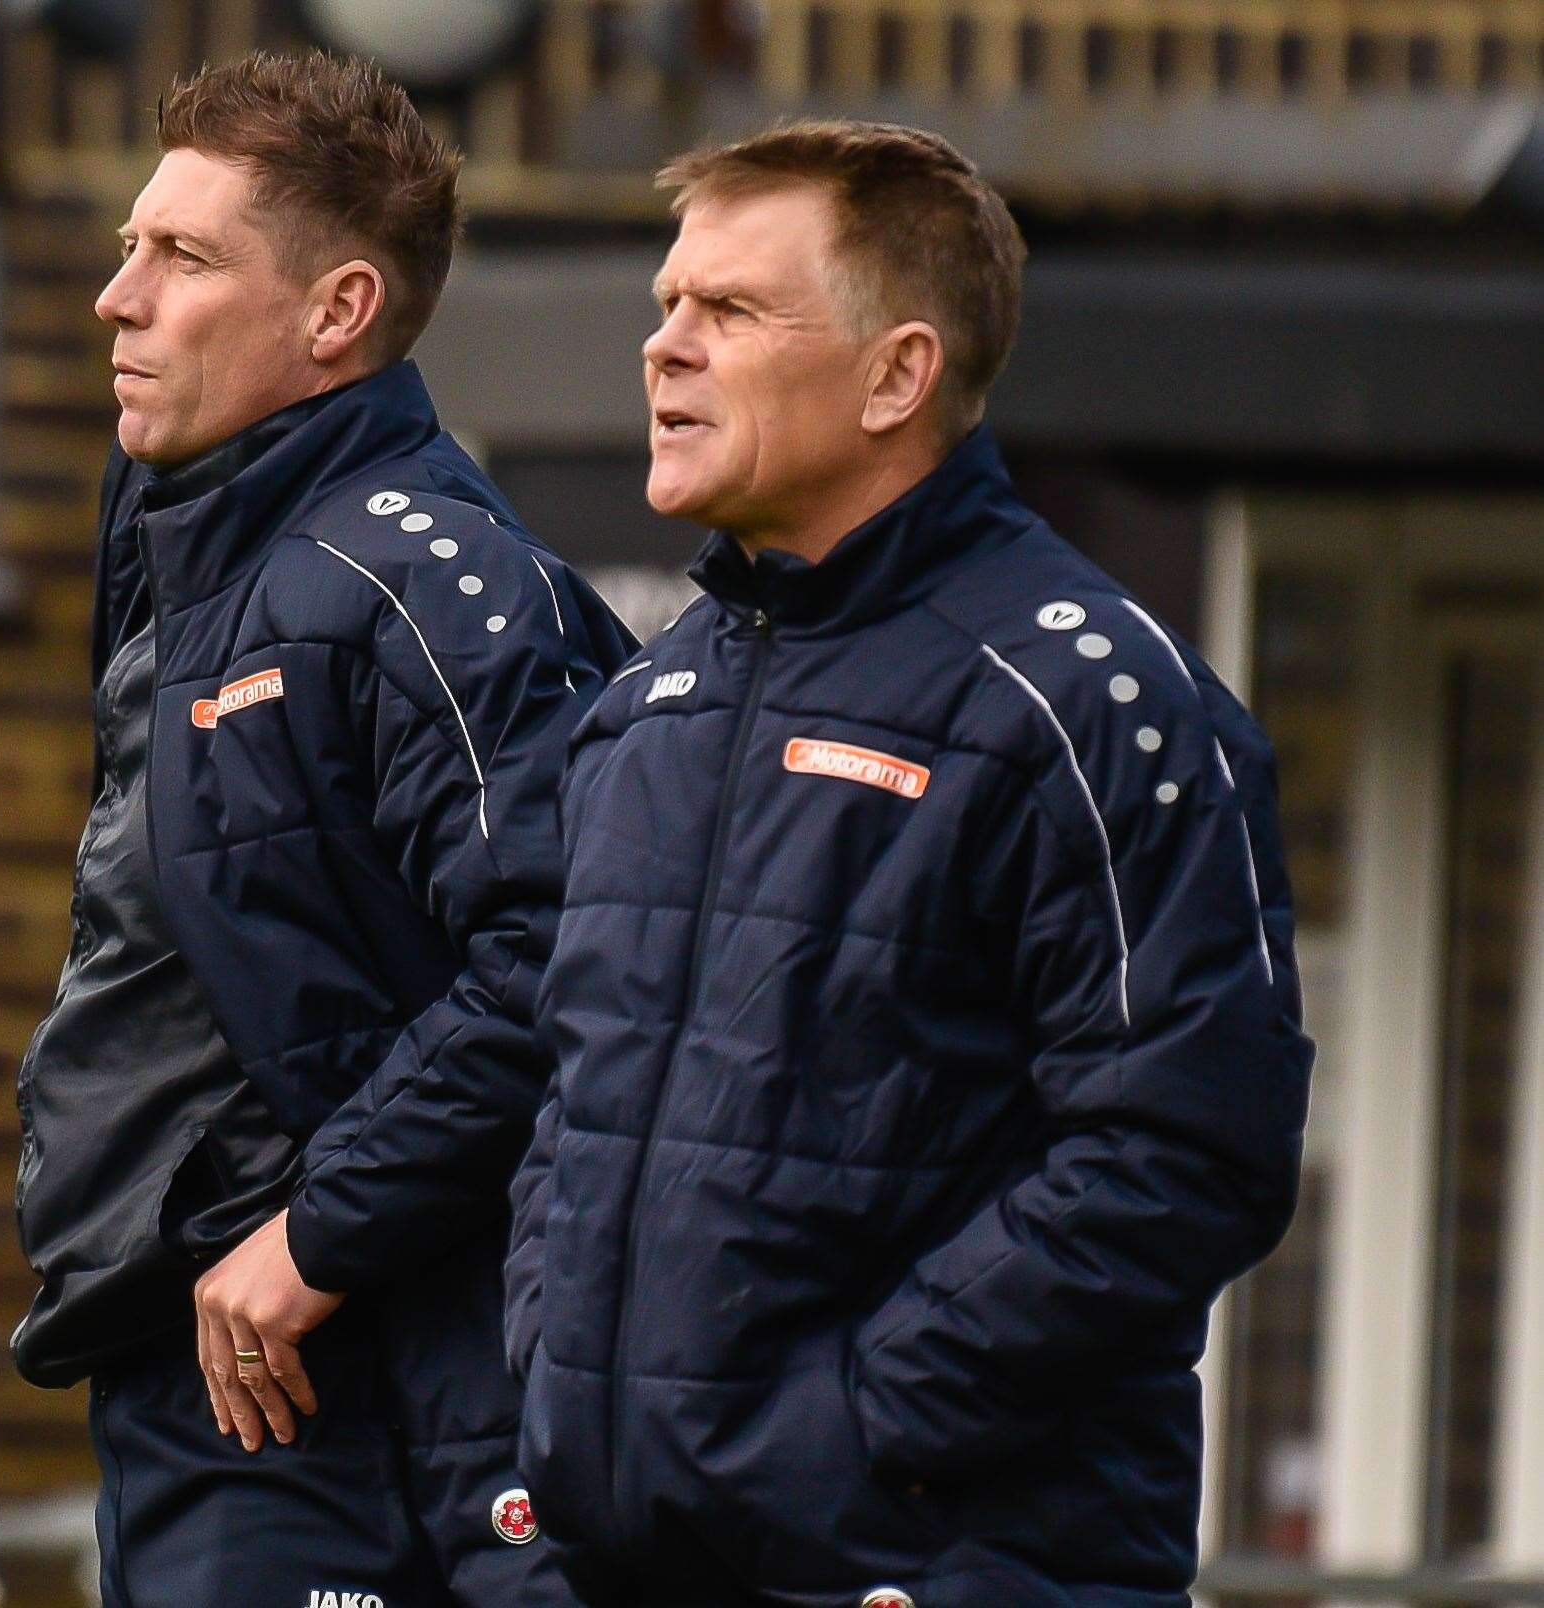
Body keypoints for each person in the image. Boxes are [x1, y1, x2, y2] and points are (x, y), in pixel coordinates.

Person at [506, 121, 1313, 1607]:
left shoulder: (1090, 702)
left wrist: (853, 1433)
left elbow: (1181, 1154)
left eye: (729, 311)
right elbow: (573, 1099)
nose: (663, 350)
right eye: (665, 305)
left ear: (897, 376)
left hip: (936, 1568)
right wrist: (556, 1402)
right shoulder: (648, 708)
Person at [11, 50, 633, 1607]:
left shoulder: (421, 584)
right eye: (128, 247)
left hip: (322, 1383)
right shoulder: (186, 526)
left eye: (183, 256)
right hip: (190, 1356)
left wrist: (315, 1238)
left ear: (337, 311)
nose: (119, 298)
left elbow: (569, 952)